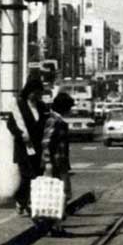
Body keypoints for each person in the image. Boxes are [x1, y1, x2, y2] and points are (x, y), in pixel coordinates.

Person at [7, 78, 48, 215]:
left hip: (38, 148)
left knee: (37, 176)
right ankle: (21, 200)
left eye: (39, 93)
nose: (36, 96)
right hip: (23, 148)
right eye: (35, 93)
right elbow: (11, 125)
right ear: (29, 91)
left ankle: (30, 202)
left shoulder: (42, 106)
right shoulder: (19, 106)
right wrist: (21, 136)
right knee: (27, 176)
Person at [42, 92, 75, 234]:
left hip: (60, 163)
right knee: (59, 194)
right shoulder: (55, 121)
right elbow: (46, 142)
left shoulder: (57, 120)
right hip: (55, 163)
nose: (71, 111)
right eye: (69, 108)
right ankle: (54, 226)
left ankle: (56, 225)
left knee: (62, 194)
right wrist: (48, 162)